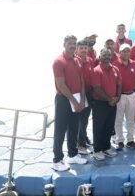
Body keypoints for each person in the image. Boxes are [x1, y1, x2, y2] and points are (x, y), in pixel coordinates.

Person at [52, 35, 87, 171]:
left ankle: (72, 154)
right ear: (64, 44)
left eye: (74, 43)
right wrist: (74, 101)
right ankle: (57, 160)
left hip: (77, 98)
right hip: (63, 100)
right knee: (60, 130)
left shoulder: (78, 60)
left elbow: (82, 80)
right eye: (69, 43)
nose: (72, 45)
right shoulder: (58, 61)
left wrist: (82, 100)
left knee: (74, 128)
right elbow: (61, 85)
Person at [91, 48, 122, 161]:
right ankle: (97, 150)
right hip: (100, 103)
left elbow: (119, 84)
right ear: (100, 57)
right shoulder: (96, 70)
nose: (107, 57)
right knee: (99, 127)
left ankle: (106, 147)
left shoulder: (115, 69)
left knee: (109, 126)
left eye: (109, 55)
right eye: (104, 55)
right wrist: (109, 99)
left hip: (113, 102)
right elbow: (97, 88)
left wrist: (117, 97)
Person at [113, 44, 135, 150]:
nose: (126, 53)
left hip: (131, 95)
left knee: (130, 119)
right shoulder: (114, 64)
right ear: (120, 52)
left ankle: (130, 140)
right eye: (123, 51)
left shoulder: (134, 63)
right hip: (120, 96)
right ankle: (119, 140)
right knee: (118, 119)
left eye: (127, 51)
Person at [76, 39, 96, 155]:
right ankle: (80, 144)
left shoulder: (90, 60)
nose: (84, 50)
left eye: (85, 48)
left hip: (89, 93)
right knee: (79, 120)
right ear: (77, 49)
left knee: (85, 119)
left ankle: (83, 139)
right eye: (81, 48)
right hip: (79, 94)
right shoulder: (75, 61)